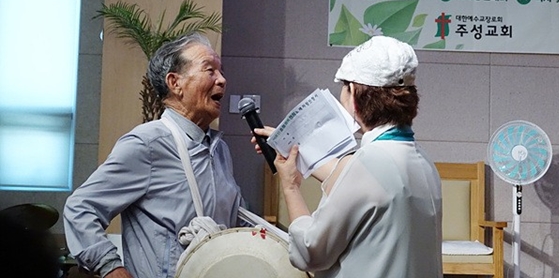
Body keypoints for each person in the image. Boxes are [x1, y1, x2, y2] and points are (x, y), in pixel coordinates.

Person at [254, 35, 443, 278]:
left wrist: (290, 186)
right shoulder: (423, 162)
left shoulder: (366, 165)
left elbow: (311, 252)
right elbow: (362, 182)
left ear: (353, 92)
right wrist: (294, 150)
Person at [64, 32, 245, 278]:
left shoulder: (219, 149)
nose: (222, 80)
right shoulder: (147, 144)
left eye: (221, 71)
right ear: (175, 83)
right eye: (210, 70)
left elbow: (236, 219)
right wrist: (110, 267)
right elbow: (81, 208)